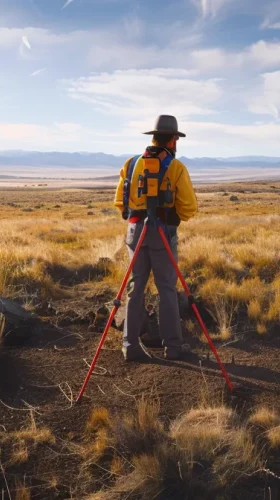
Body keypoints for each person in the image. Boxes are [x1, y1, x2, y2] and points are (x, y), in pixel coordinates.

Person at [113, 115, 198, 362]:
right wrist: (172, 217)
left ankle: (130, 345)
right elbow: (188, 208)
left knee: (135, 286)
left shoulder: (130, 164)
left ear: (152, 137)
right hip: (162, 233)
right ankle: (173, 347)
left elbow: (120, 202)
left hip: (134, 231)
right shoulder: (176, 167)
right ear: (173, 140)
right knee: (167, 289)